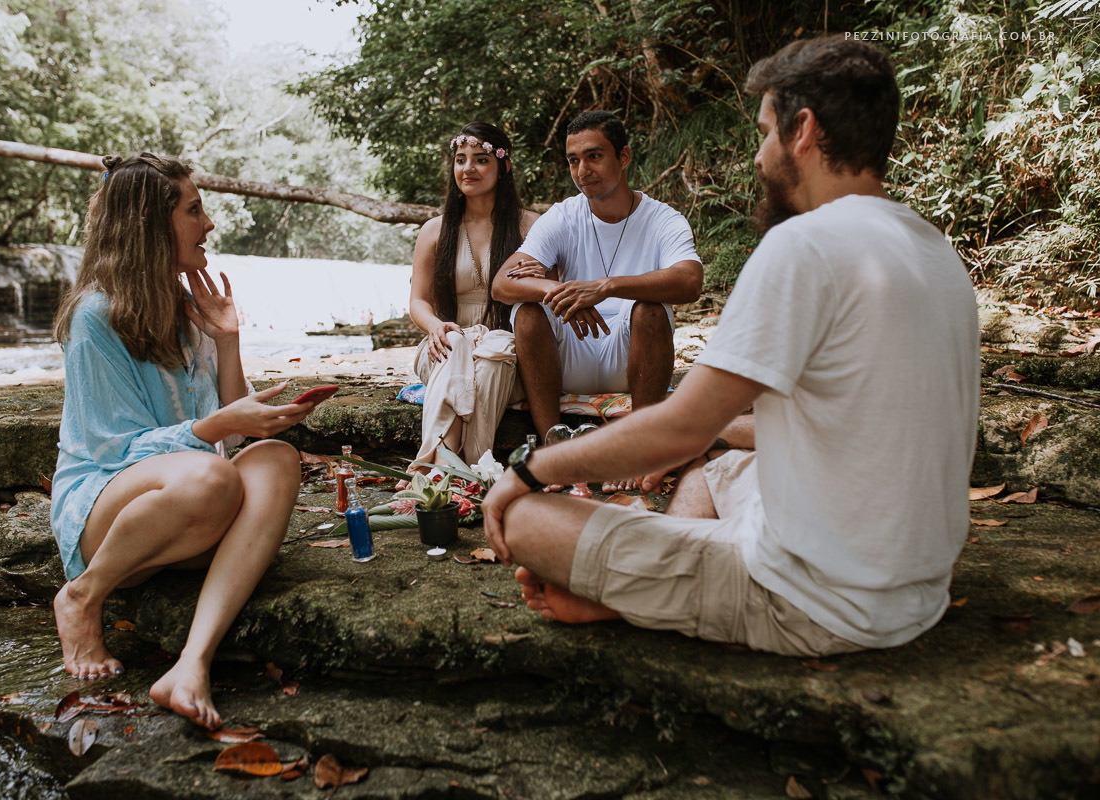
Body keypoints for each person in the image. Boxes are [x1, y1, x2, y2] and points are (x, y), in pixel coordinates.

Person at [482, 37, 980, 657]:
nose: (758, 156)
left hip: (820, 602)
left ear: (804, 131)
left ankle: (630, 594)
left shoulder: (805, 246)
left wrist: (527, 471)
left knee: (526, 518)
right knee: (719, 471)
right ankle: (649, 578)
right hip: (918, 587)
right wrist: (717, 435)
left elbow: (681, 428)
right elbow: (844, 420)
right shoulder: (935, 250)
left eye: (766, 132)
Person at [50, 153, 312, 729]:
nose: (208, 224)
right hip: (108, 514)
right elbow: (110, 451)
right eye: (195, 210)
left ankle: (192, 664)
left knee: (275, 459)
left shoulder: (186, 307)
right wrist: (209, 432)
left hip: (193, 508)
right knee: (211, 471)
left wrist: (226, 339)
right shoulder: (94, 317)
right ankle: (83, 596)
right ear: (152, 225)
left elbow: (235, 427)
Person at [491, 110, 703, 492]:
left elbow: (690, 281)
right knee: (526, 312)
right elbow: (502, 282)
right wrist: (556, 290)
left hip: (633, 357)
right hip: (569, 354)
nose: (582, 170)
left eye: (594, 156)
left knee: (651, 309)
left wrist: (604, 287)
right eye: (573, 160)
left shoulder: (662, 219)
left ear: (623, 157)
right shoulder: (563, 216)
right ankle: (554, 449)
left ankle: (640, 447)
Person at [409, 122, 538, 468]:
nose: (467, 169)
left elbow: (546, 294)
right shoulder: (434, 231)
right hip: (444, 347)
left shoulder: (530, 228)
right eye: (460, 159)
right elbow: (418, 301)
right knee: (457, 344)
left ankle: (442, 468)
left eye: (481, 160)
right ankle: (473, 468)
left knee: (496, 350)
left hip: (509, 354)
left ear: (503, 166)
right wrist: (436, 326)